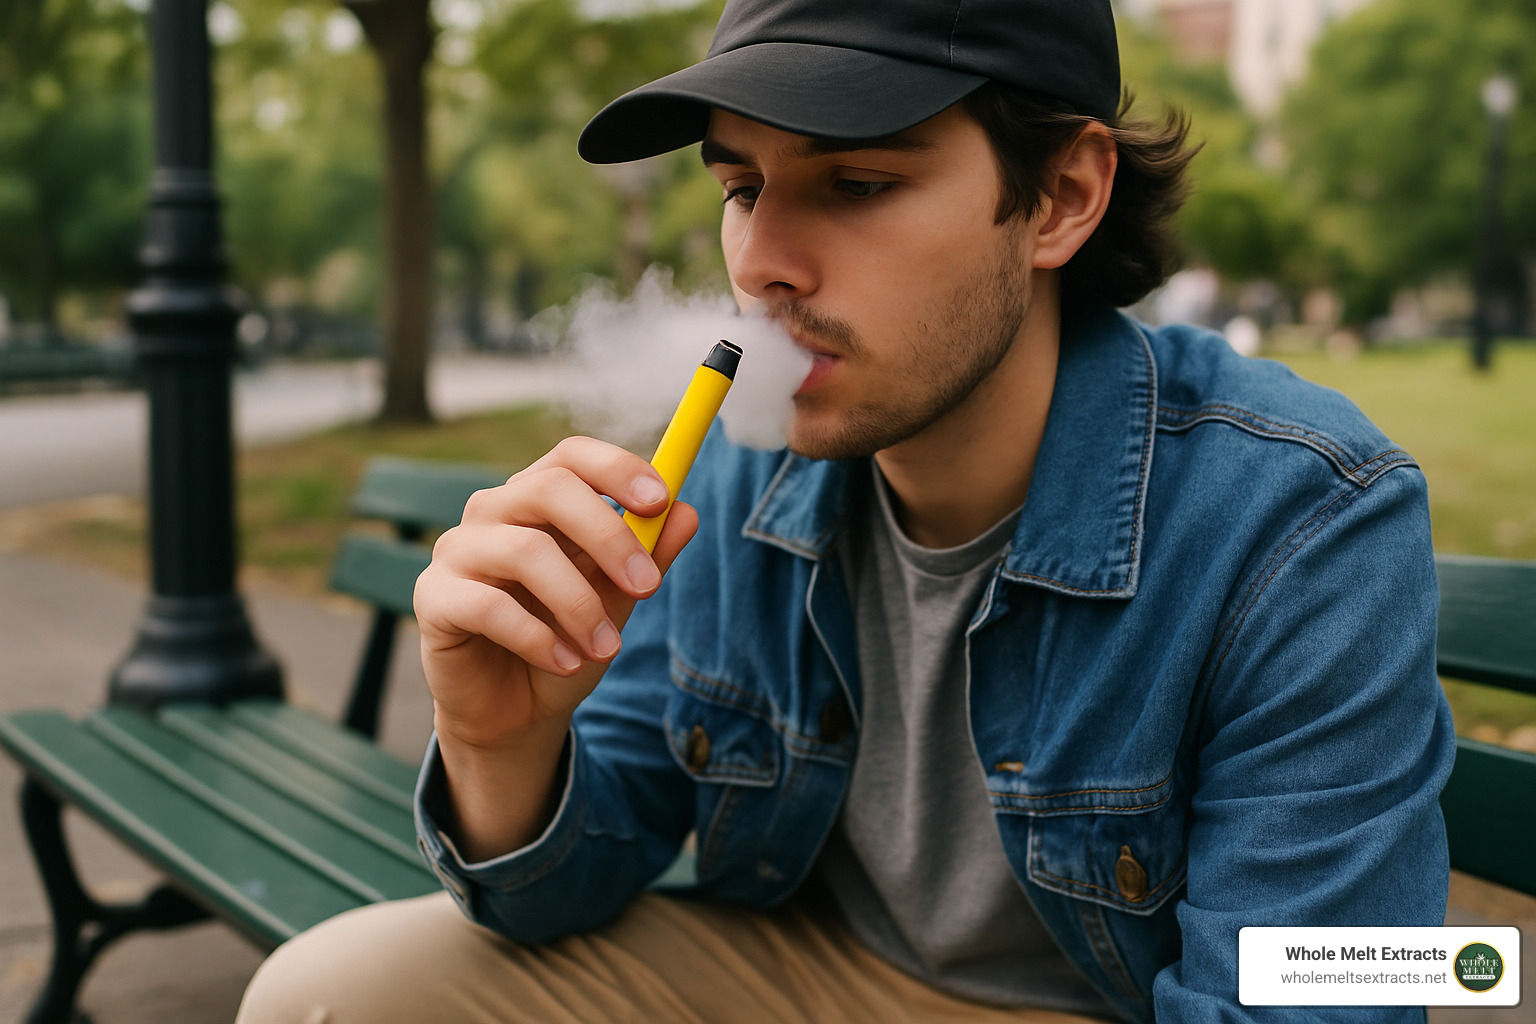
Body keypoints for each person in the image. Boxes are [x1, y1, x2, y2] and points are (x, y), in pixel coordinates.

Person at [238, 1, 1454, 1021]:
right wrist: (501, 741)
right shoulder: (738, 468)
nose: (763, 260)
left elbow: (1321, 983)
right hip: (816, 972)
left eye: (857, 181)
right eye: (742, 185)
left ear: (1062, 197)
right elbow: (569, 881)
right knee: (328, 992)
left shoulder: (1305, 520)